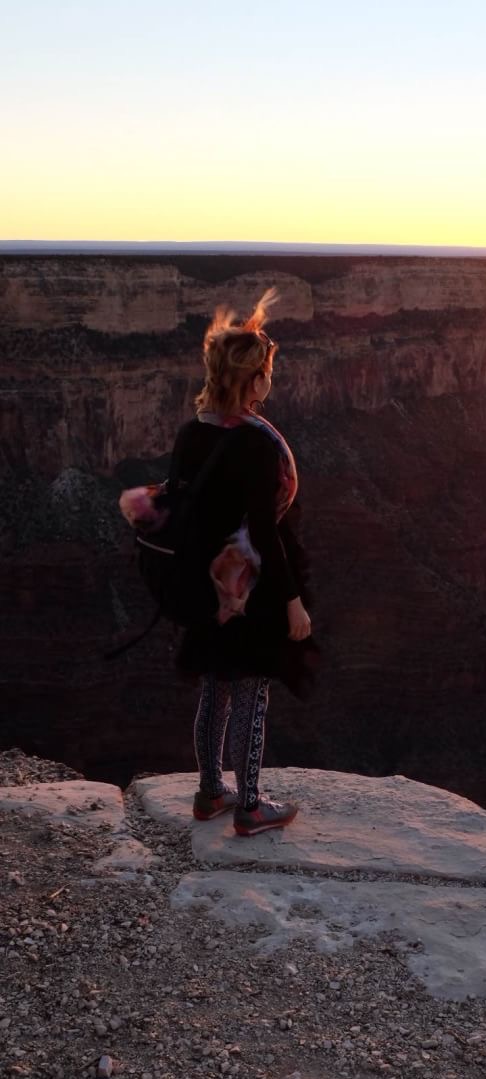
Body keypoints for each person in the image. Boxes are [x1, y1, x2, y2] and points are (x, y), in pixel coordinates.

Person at [168, 292, 318, 836]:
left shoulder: (193, 433)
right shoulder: (254, 445)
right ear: (251, 381)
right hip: (250, 588)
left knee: (215, 686)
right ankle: (251, 805)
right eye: (266, 373)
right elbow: (264, 531)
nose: (270, 382)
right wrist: (293, 600)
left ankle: (211, 792)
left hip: (206, 584)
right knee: (252, 691)